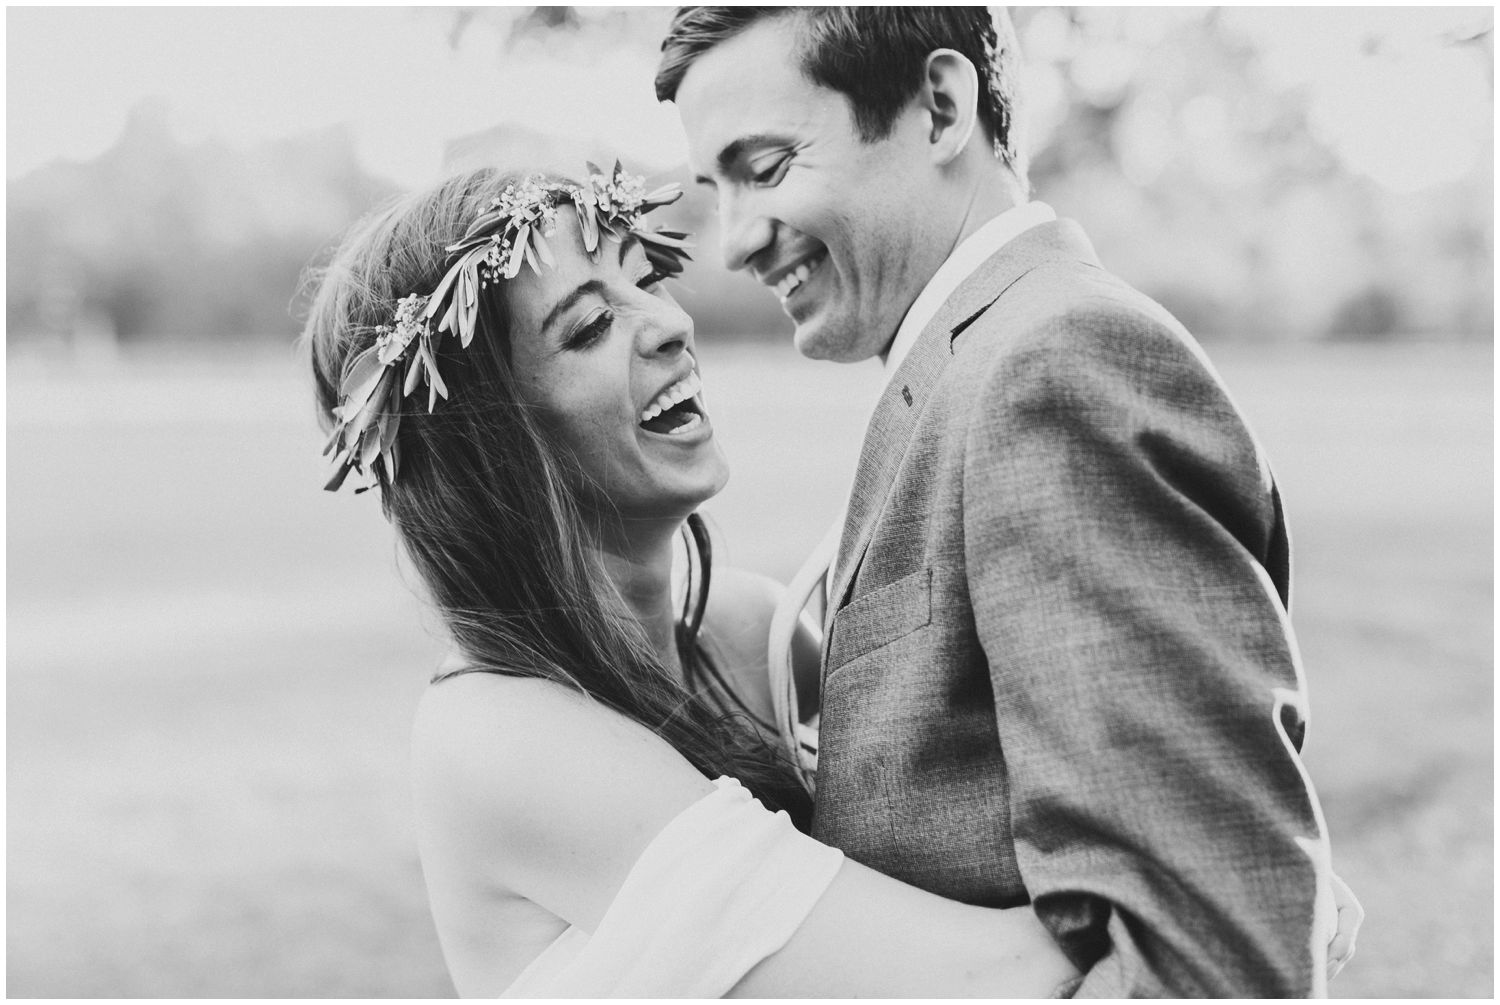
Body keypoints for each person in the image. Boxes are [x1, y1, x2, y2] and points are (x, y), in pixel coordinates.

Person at [658, 6, 1361, 997]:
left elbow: (1211, 954)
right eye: (714, 187)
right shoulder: (965, 364)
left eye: (765, 168)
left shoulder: (1056, 368)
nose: (732, 243)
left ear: (940, 106)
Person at [303, 164, 1084, 996]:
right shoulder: (492, 736)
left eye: (648, 281)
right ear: (489, 447)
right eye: (592, 326)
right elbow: (982, 976)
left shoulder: (753, 633)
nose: (672, 325)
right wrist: (1166, 872)